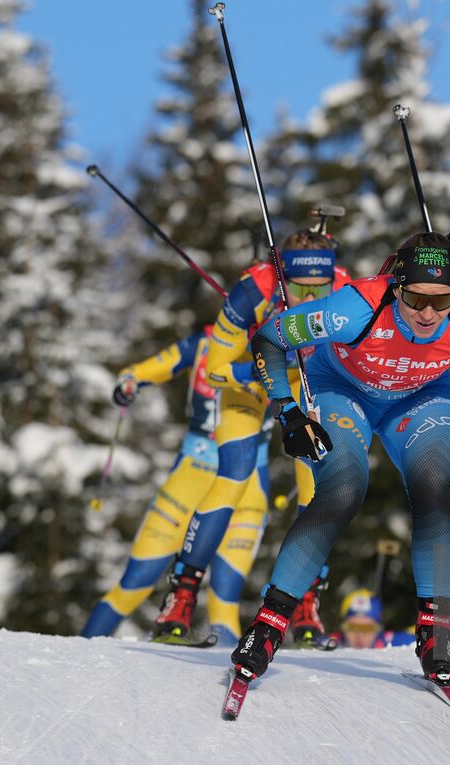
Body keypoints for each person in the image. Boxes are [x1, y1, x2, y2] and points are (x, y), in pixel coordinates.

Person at [230, 231, 450, 683]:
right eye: (414, 299)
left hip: (419, 398)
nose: (428, 313)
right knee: (344, 488)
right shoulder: (355, 308)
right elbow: (270, 338)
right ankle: (270, 623)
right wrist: (288, 413)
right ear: (395, 286)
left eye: (440, 301)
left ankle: (434, 629)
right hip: (343, 391)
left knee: (435, 489)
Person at [148, 230, 352, 645]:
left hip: (303, 382)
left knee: (319, 479)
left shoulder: (347, 291)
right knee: (236, 472)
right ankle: (183, 594)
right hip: (248, 382)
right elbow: (214, 370)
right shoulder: (250, 295)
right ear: (281, 283)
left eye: (321, 289)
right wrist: (261, 369)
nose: (312, 300)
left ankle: (306, 601)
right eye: (299, 289)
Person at [80, 326, 267, 642]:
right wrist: (129, 379)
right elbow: (150, 367)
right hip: (189, 479)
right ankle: (74, 657)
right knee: (135, 582)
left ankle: (229, 680)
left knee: (225, 595)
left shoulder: (278, 348)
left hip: (247, 488)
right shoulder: (205, 345)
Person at [332, 588, 414, 650]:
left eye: (367, 628)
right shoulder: (329, 643)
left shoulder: (394, 643)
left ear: (379, 629)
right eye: (352, 627)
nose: (360, 635)